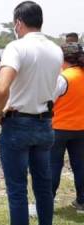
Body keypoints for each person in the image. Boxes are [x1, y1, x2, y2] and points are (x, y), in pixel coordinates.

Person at [0, 2, 63, 225]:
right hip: (45, 124)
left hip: (18, 124)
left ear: (18, 23)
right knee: (43, 187)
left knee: (17, 190)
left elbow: (1, 89)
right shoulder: (56, 49)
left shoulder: (16, 47)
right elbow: (56, 85)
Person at [51, 42, 84, 211]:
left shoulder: (63, 77)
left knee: (53, 165)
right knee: (80, 165)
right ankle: (82, 202)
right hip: (81, 129)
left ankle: (47, 202)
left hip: (59, 128)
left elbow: (49, 101)